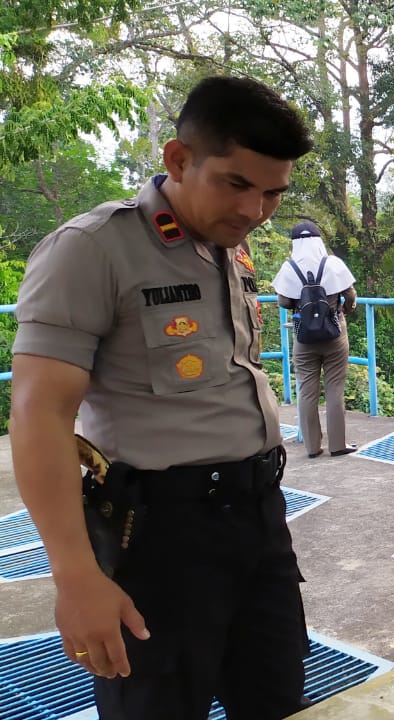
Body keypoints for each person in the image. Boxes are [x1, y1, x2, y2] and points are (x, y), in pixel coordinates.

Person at [10, 75, 313, 719]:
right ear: (178, 159)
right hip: (159, 541)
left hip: (259, 520)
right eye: (237, 184)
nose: (256, 209)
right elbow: (39, 416)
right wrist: (75, 576)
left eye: (272, 194)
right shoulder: (92, 249)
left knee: (281, 703)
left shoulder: (228, 248)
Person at [272, 221, 359, 458]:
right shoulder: (332, 264)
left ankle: (312, 447)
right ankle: (338, 445)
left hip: (304, 337)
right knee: (335, 388)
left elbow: (282, 301)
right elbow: (350, 295)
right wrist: (344, 309)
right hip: (334, 332)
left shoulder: (289, 268)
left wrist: (302, 303)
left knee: (306, 391)